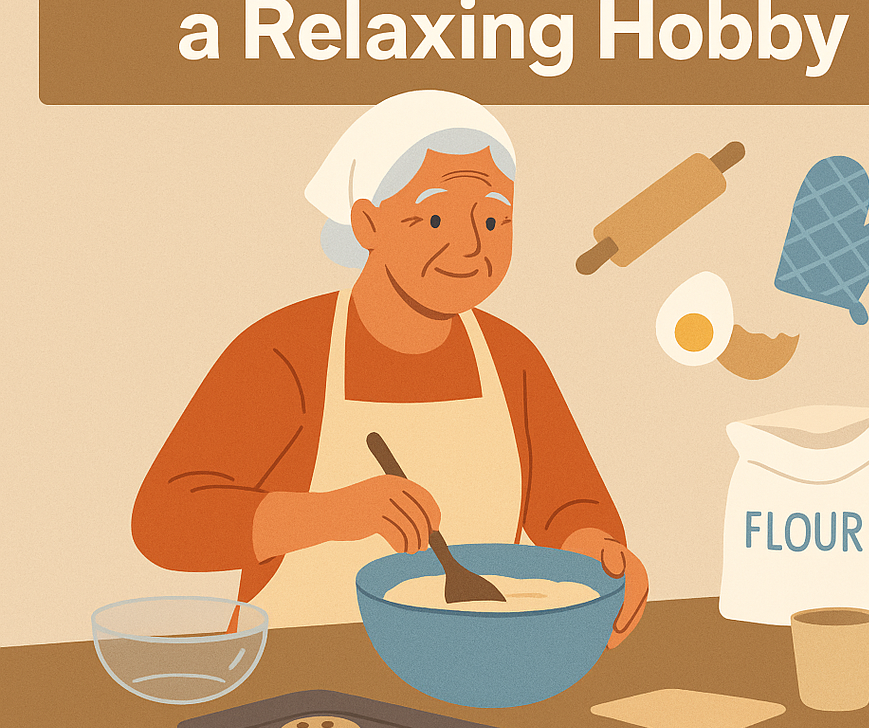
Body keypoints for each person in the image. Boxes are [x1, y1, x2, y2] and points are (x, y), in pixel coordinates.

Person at [133, 90, 648, 646]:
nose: (471, 246)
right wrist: (330, 515)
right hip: (300, 665)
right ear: (367, 223)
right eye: (435, 217)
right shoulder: (285, 351)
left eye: (494, 220)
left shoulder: (511, 357)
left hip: (477, 657)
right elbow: (166, 520)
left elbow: (571, 506)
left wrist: (598, 554)